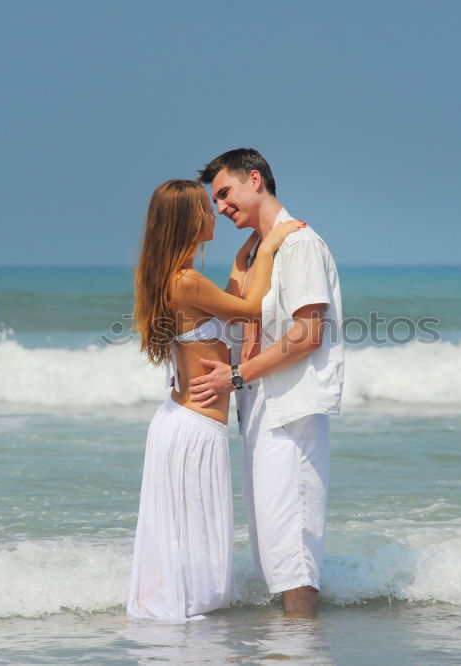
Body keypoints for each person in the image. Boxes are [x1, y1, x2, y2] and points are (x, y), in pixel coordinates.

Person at [126, 179, 304, 620]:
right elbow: (250, 311)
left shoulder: (178, 278)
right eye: (207, 209)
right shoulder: (185, 281)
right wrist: (267, 249)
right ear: (188, 220)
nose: (215, 215)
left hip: (181, 420)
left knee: (185, 538)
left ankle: (177, 630)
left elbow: (227, 304)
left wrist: (243, 260)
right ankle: (184, 634)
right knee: (191, 539)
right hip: (193, 428)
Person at [190, 149, 344, 617]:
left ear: (254, 179)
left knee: (292, 553)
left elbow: (308, 334)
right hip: (258, 408)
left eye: (224, 193)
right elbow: (238, 318)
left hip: (289, 409)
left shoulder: (299, 244)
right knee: (271, 552)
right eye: (215, 200)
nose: (219, 207)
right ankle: (289, 646)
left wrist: (235, 375)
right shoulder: (258, 250)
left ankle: (299, 648)